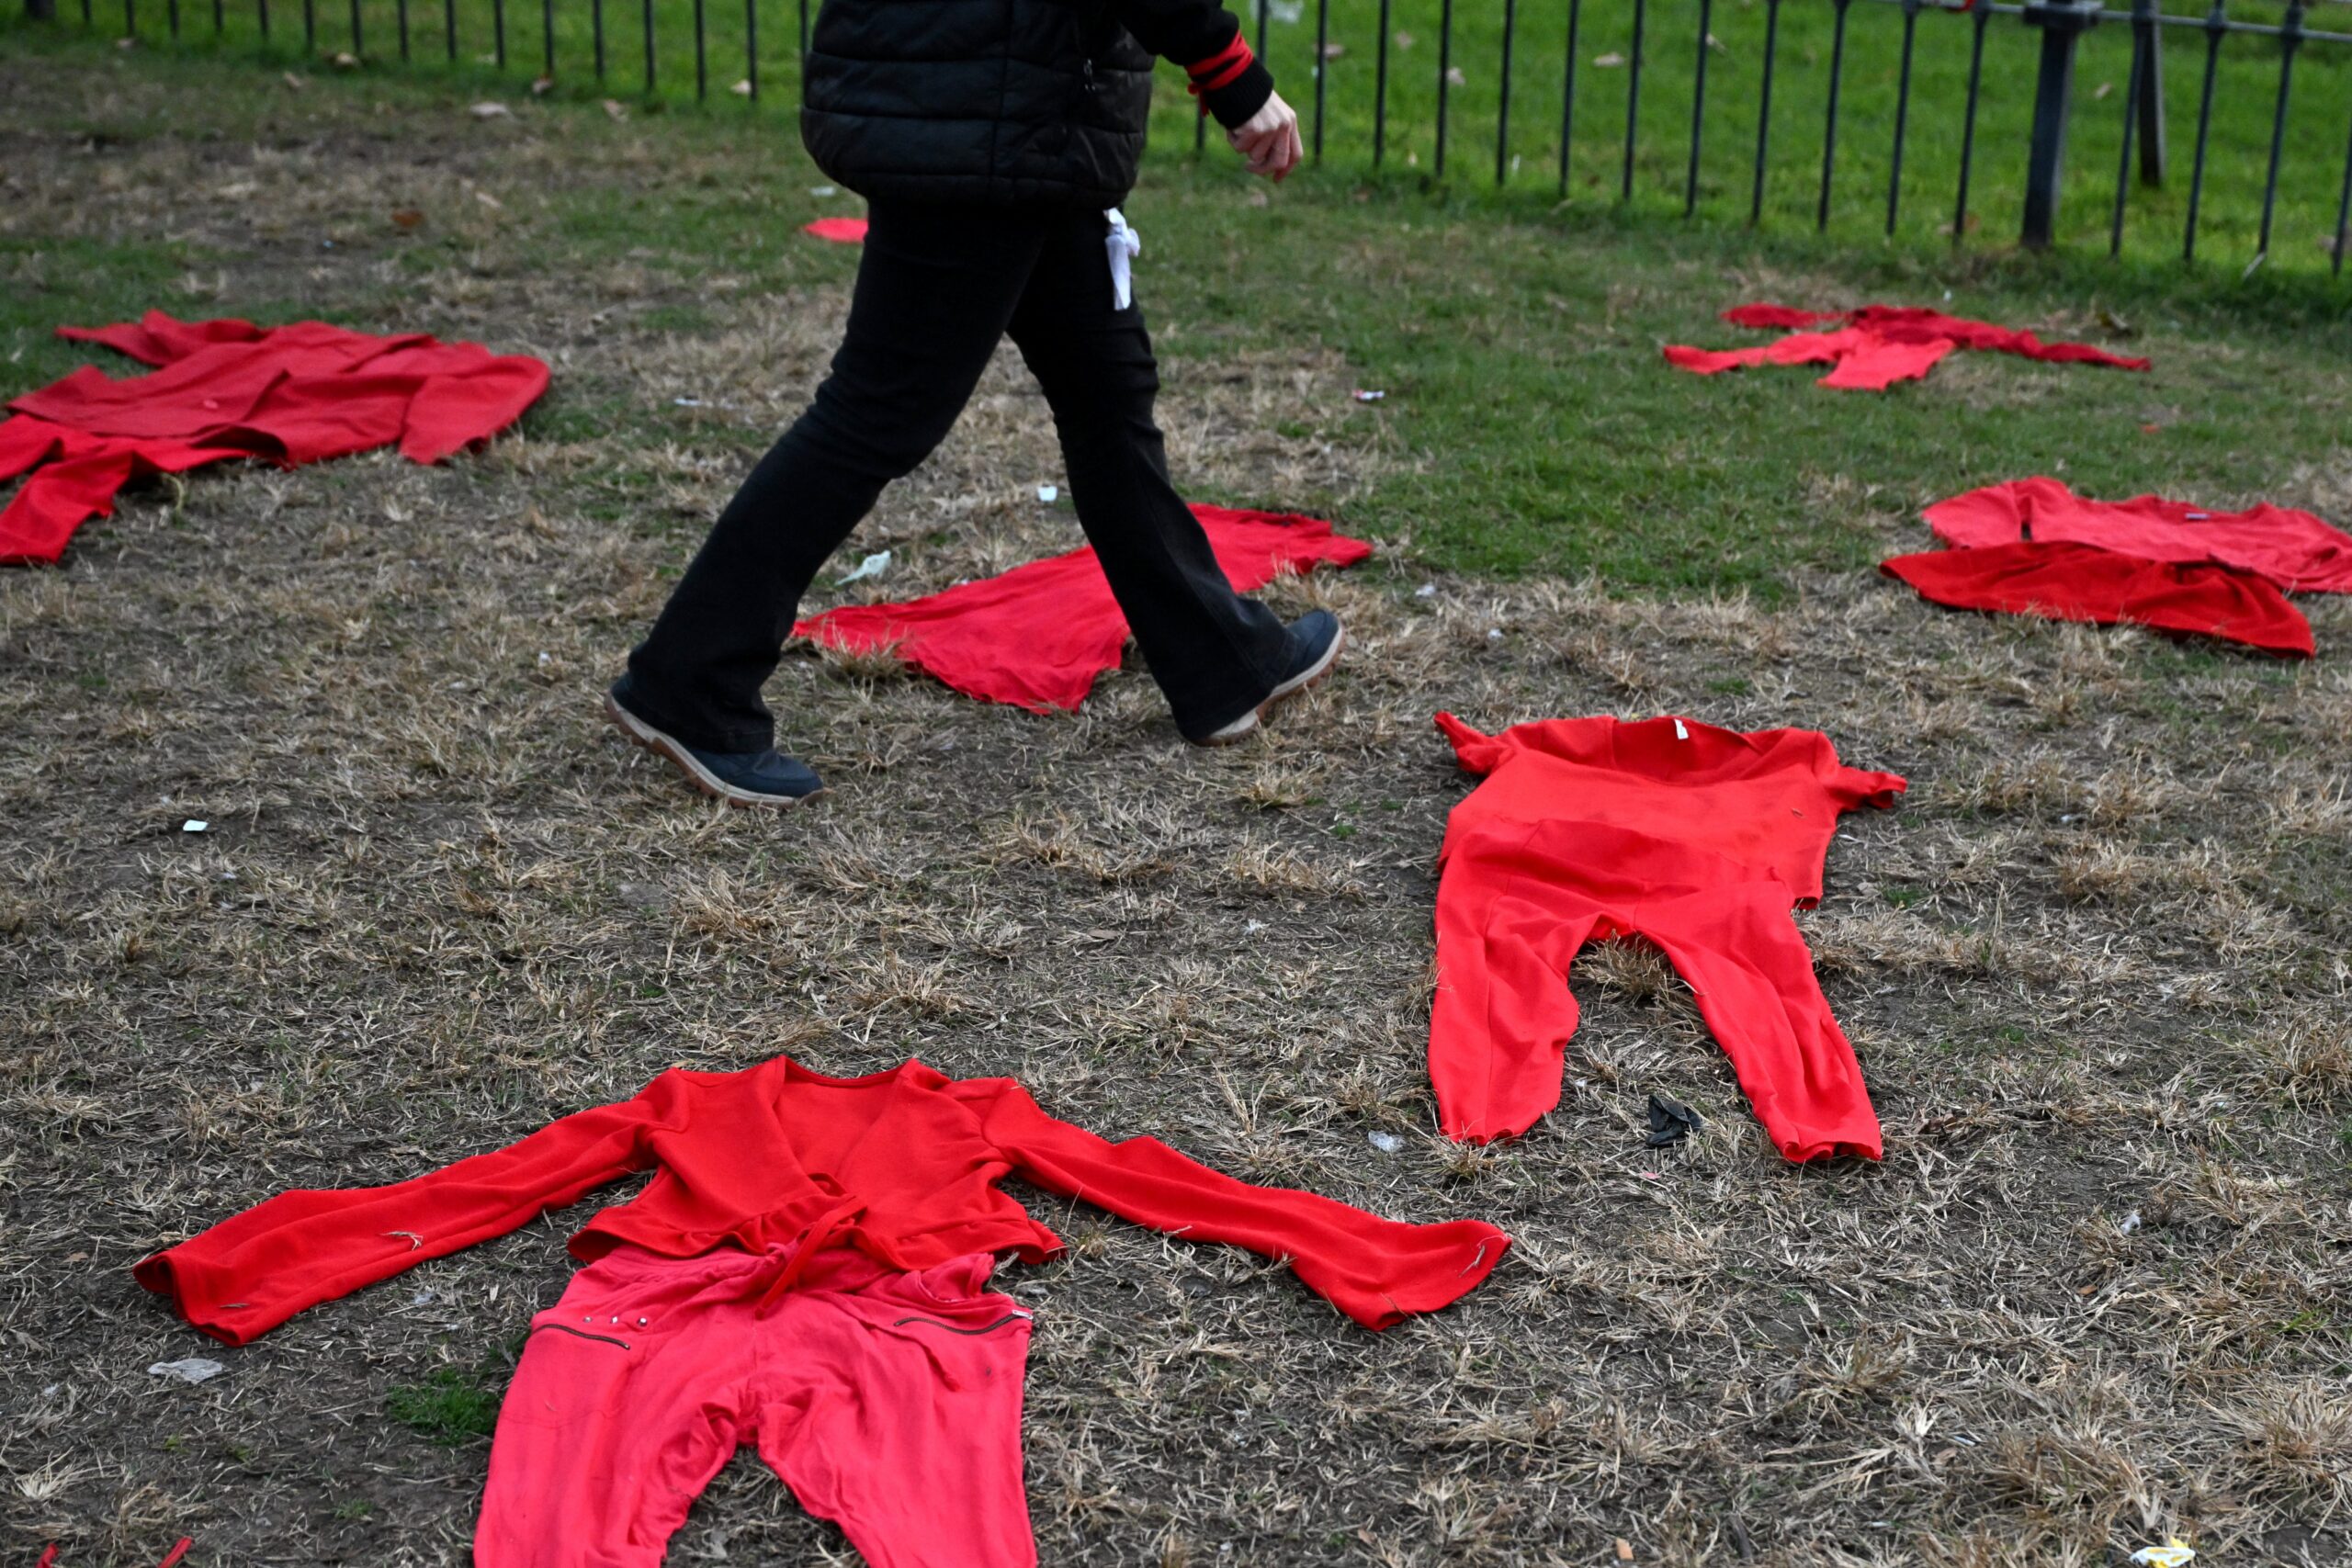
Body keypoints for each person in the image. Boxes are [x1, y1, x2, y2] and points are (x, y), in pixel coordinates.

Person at [604, 0, 1341, 808]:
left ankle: (1221, 663)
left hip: (1009, 97)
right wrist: (1227, 67)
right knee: (878, 412)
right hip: (985, 104)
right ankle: (689, 678)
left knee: (1107, 392)